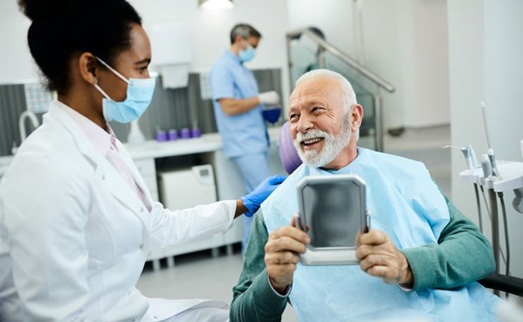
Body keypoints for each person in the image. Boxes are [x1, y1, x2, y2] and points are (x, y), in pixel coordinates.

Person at [0, 1, 285, 321]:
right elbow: (56, 316)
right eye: (141, 67)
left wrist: (242, 205)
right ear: (90, 68)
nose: (149, 78)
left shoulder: (103, 144)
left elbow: (158, 224)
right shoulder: (46, 172)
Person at [230, 69, 501, 321]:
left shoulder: (406, 174)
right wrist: (274, 281)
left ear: (355, 117)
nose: (302, 125)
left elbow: (478, 252)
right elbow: (240, 315)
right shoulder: (274, 210)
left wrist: (408, 266)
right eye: (294, 116)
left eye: (316, 110)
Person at [209, 23, 281, 252]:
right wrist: (260, 99)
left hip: (255, 140)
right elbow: (229, 106)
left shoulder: (242, 68)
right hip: (243, 144)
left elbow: (246, 105)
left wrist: (265, 111)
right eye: (252, 45)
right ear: (239, 39)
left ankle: (257, 254)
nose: (254, 51)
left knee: (257, 200)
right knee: (258, 200)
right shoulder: (222, 68)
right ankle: (253, 256)